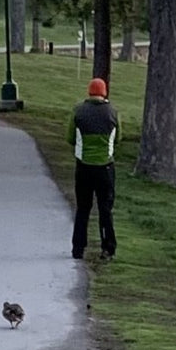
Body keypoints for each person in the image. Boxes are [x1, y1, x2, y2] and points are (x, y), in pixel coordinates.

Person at [67, 77, 120, 260]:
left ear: (89, 92)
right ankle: (108, 248)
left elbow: (70, 138)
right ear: (104, 93)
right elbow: (118, 138)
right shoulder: (112, 113)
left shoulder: (78, 111)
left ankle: (78, 248)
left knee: (83, 208)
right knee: (105, 209)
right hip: (105, 167)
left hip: (84, 167)